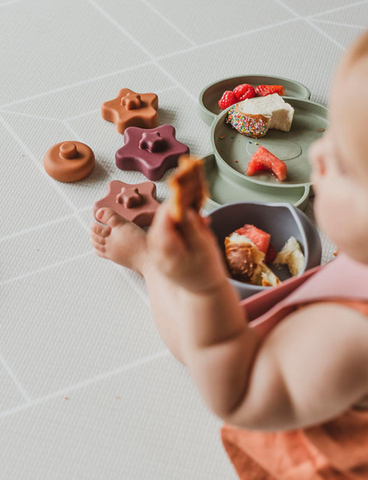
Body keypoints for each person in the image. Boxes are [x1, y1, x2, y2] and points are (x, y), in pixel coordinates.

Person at [90, 31, 368, 479]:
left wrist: (203, 289)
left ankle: (145, 262)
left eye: (343, 164)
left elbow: (236, 392)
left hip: (290, 431)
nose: (315, 153)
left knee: (198, 335)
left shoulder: (347, 337)